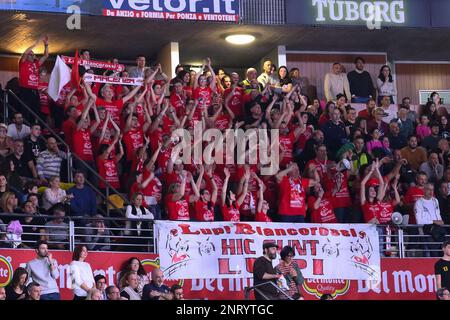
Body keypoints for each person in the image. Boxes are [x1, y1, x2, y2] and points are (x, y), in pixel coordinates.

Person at [414, 183, 444, 257]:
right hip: (425, 233)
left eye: (432, 190)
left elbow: (438, 215)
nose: (431, 192)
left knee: (437, 255)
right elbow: (419, 221)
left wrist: (440, 221)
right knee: (427, 255)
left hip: (437, 232)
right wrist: (434, 221)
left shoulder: (435, 201)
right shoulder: (418, 203)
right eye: (428, 189)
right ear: (423, 190)